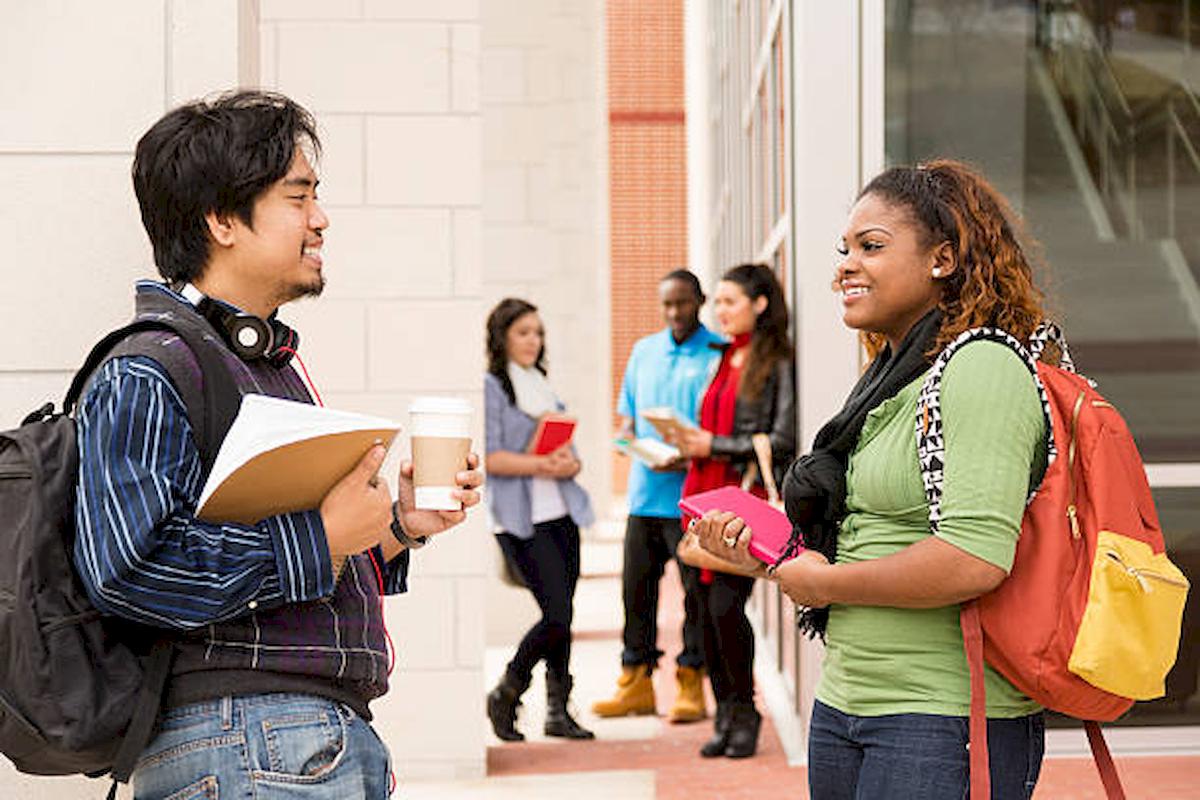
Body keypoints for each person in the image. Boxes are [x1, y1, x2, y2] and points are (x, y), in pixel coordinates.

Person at [72, 91, 483, 799]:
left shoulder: (256, 363)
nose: (320, 219)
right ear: (222, 219)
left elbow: (285, 572)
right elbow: (128, 568)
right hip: (248, 745)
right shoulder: (151, 367)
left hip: (286, 742)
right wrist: (319, 538)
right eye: (299, 197)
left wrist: (394, 528)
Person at [695, 160, 1050, 798]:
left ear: (943, 258)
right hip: (848, 701)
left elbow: (973, 558)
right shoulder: (892, 380)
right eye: (844, 250)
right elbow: (870, 534)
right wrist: (764, 558)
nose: (844, 268)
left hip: (943, 715)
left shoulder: (982, 369)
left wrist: (825, 582)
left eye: (872, 247)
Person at [671, 263, 796, 759]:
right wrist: (689, 444)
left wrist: (712, 445)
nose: (718, 311)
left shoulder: (778, 359)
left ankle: (745, 713)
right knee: (701, 612)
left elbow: (782, 439)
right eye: (716, 302)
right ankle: (724, 713)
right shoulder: (724, 358)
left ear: (759, 303)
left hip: (740, 504)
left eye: (728, 301)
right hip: (703, 496)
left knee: (726, 607)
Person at [592, 270, 723, 723]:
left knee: (696, 599)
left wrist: (690, 456)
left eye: (682, 303)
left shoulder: (718, 352)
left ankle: (691, 683)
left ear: (700, 300)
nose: (674, 313)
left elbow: (721, 431)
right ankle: (636, 683)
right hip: (645, 498)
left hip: (693, 498)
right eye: (666, 305)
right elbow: (625, 428)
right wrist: (633, 449)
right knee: (636, 595)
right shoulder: (643, 352)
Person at [483, 298, 597, 742]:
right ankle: (507, 692)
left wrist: (568, 463)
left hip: (561, 514)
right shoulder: (493, 387)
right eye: (523, 332)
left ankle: (557, 711)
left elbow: (568, 453)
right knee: (555, 614)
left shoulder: (542, 386)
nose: (533, 340)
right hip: (521, 521)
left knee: (563, 617)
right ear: (503, 337)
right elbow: (491, 457)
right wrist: (539, 464)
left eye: (538, 333)